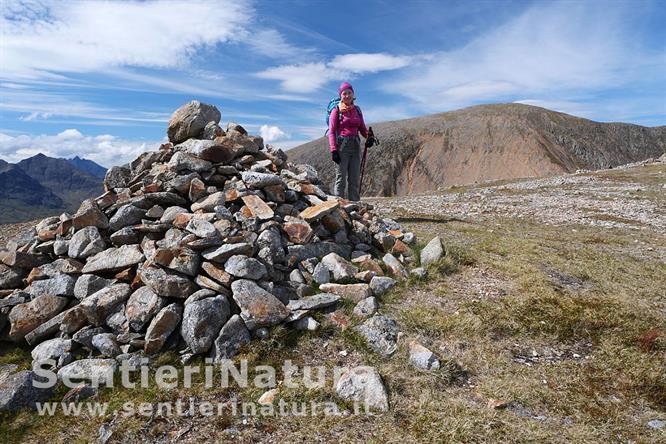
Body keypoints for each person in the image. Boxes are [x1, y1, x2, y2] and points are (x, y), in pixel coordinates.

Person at [329, 81, 368, 201]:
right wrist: (333, 150)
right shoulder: (336, 110)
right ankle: (339, 206)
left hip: (355, 146)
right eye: (344, 93)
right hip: (342, 147)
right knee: (341, 178)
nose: (347, 96)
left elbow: (362, 128)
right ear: (340, 96)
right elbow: (331, 131)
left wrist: (369, 137)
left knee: (354, 178)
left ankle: (355, 207)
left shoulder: (357, 110)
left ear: (353, 94)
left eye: (349, 93)